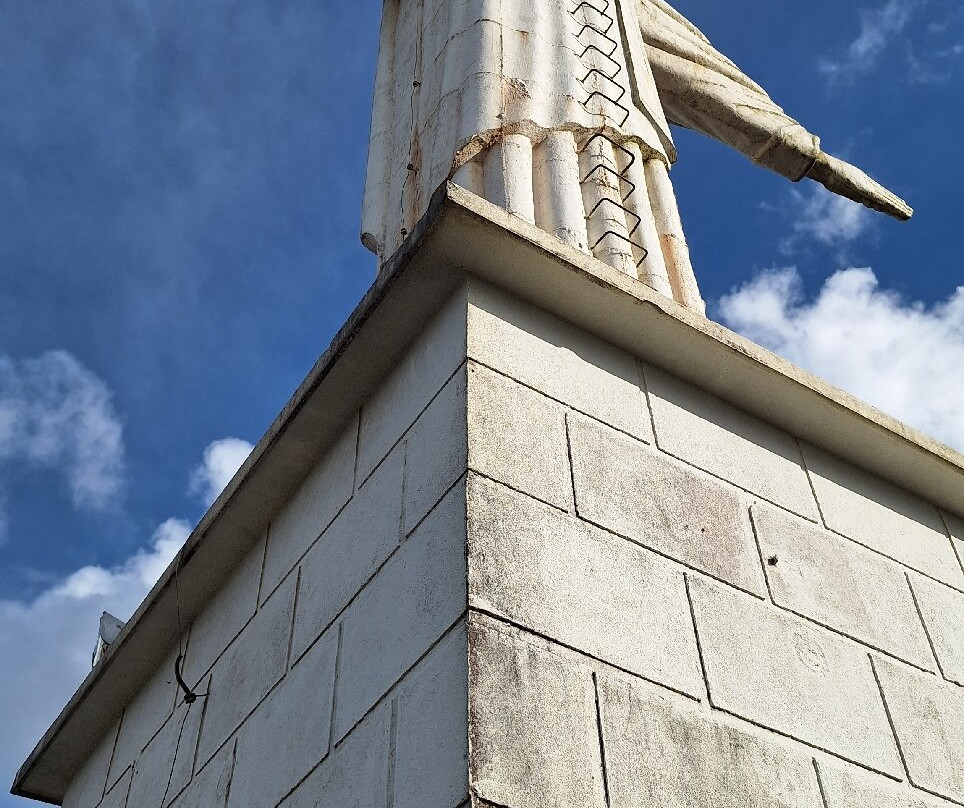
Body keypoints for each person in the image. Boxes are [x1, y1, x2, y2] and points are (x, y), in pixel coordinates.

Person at [361, 0, 911, 313]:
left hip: (611, 144)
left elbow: (684, 60)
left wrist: (801, 151)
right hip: (491, 139)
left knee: (645, 292)